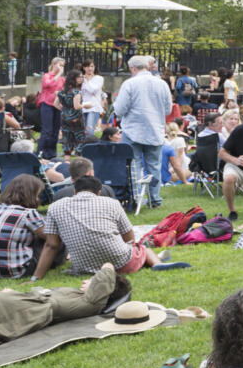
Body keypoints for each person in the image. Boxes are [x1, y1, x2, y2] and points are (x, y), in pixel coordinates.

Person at [0, 262, 126, 368]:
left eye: (92, 280)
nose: (87, 281)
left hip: (22, 310)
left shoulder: (90, 302)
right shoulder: (78, 295)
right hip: (18, 304)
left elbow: (107, 270)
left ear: (105, 289)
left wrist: (107, 271)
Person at [34, 174, 155, 278]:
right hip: (120, 263)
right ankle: (158, 264)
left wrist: (36, 277)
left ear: (75, 191)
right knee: (144, 249)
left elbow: (51, 245)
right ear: (99, 192)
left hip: (83, 268)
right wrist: (132, 249)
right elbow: (128, 236)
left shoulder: (55, 207)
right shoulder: (112, 203)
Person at [113, 55, 174, 208]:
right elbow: (168, 109)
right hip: (155, 130)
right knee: (154, 166)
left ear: (133, 68)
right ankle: (155, 199)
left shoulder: (130, 83)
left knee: (134, 166)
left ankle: (136, 197)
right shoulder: (162, 84)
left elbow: (120, 109)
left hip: (133, 130)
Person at [0, 174, 49, 279]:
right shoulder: (28, 213)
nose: (38, 199)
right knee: (53, 238)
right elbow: (51, 237)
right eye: (37, 195)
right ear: (30, 195)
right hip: (15, 271)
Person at [79, 60, 106, 138]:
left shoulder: (99, 78)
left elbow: (92, 89)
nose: (90, 69)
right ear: (84, 68)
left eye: (92, 66)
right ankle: (81, 149)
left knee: (89, 131)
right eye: (87, 66)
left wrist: (87, 80)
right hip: (82, 107)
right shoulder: (81, 78)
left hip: (94, 108)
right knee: (81, 131)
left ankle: (90, 148)